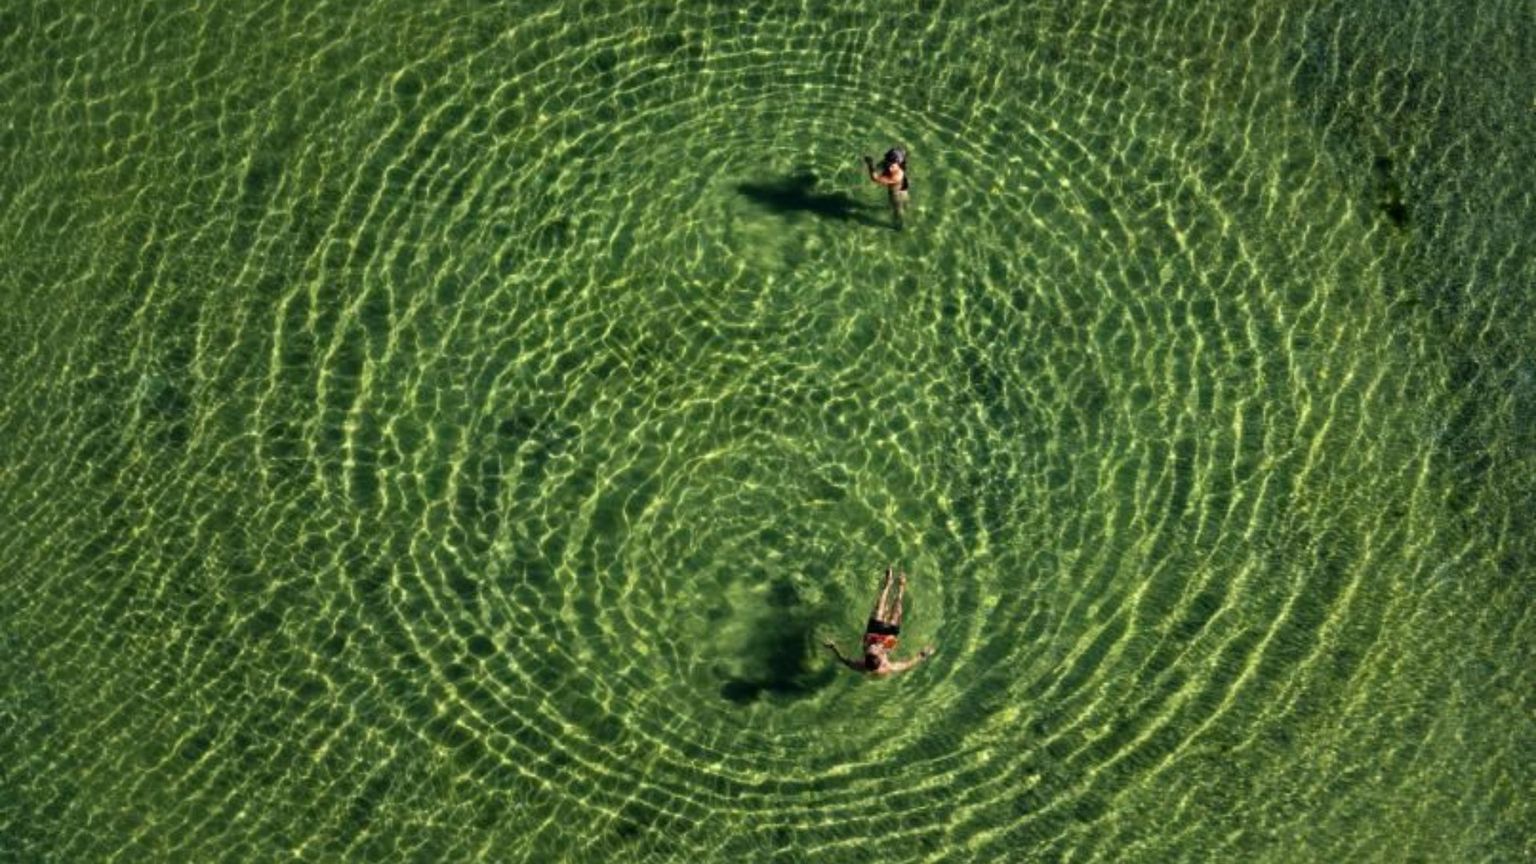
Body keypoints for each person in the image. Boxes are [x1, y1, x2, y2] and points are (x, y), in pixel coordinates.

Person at [824, 567, 935, 676]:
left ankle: (887, 584)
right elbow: (907, 664)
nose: (874, 646)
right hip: (888, 639)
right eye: (874, 649)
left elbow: (845, 661)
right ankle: (901, 589)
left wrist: (833, 648)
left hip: (872, 633)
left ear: (865, 657)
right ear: (881, 656)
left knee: (879, 607)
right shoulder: (888, 667)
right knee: (896, 611)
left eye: (870, 649)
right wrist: (923, 654)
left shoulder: (861, 665)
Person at [864, 147, 910, 230]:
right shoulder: (893, 161)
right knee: (903, 205)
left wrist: (870, 164)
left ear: (899, 163)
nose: (890, 167)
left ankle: (898, 226)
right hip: (903, 189)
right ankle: (900, 209)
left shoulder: (897, 175)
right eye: (888, 163)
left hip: (896, 194)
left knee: (897, 210)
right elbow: (880, 166)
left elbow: (875, 178)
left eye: (892, 165)